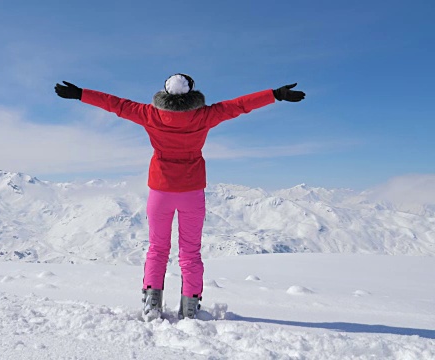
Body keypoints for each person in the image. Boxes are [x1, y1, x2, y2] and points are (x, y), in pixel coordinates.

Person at [55, 74, 305, 320]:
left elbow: (116, 105)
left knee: (157, 248)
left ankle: (152, 302)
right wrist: (275, 95)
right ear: (192, 92)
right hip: (192, 190)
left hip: (160, 190)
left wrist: (80, 93)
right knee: (190, 252)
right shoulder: (204, 115)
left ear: (164, 93)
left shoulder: (150, 114)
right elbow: (238, 105)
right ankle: (190, 307)